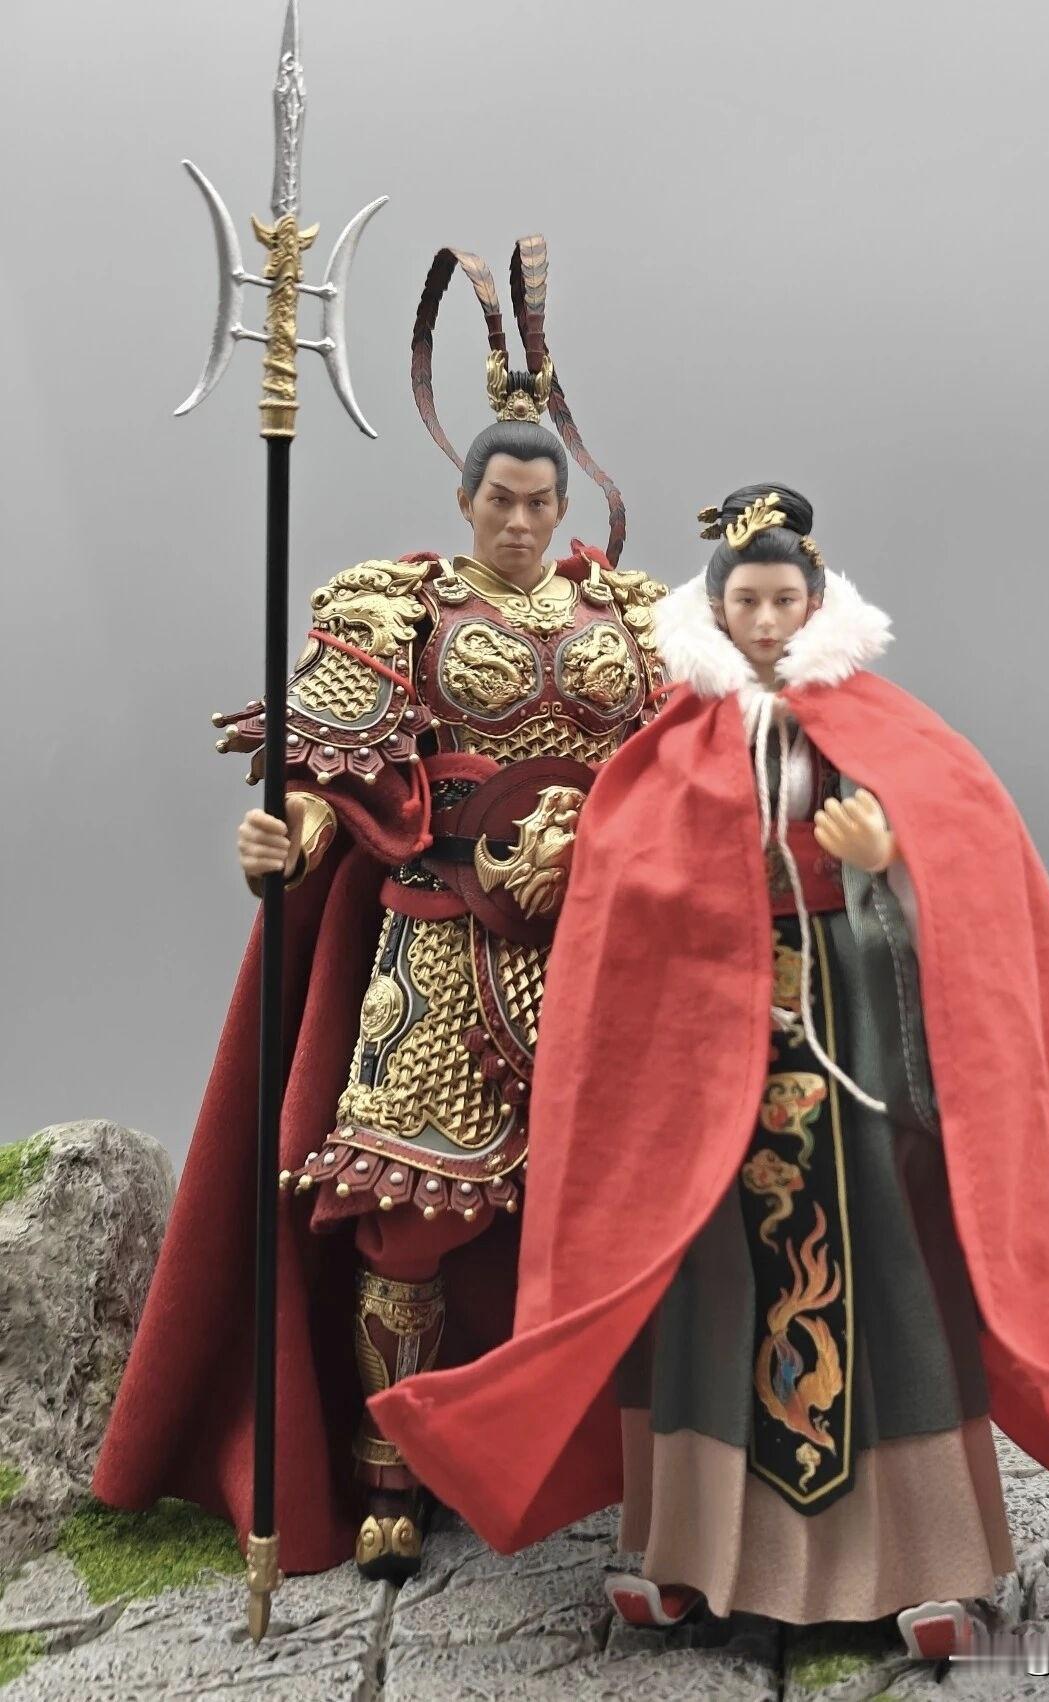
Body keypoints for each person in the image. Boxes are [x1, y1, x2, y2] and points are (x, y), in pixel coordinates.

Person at [362, 483, 1049, 1657]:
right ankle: (688, 1550)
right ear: (715, 609)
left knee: (886, 1263)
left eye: (781, 600)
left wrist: (887, 859)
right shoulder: (672, 745)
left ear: (814, 602)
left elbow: (973, 875)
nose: (761, 620)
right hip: (714, 1069)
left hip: (852, 1040)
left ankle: (928, 1558)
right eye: (743, 600)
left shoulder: (883, 727)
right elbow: (622, 902)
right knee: (704, 1276)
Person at [91, 237, 666, 1581]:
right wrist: (286, 834)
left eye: (541, 501)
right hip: (442, 937)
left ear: (566, 501)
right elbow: (334, 777)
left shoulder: (635, 617)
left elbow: (686, 768)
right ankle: (390, 1465)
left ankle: (629, 1450)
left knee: (638, 1198)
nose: (521, 522)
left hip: (598, 945)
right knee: (412, 1215)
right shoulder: (394, 606)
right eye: (501, 500)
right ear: (466, 498)